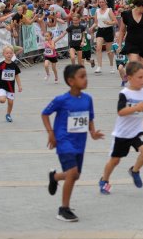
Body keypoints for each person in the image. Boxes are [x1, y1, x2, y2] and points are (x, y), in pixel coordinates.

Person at [42, 65, 104, 222]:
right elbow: (45, 114)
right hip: (64, 141)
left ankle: (55, 177)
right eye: (81, 76)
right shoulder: (61, 100)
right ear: (71, 81)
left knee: (75, 175)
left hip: (80, 143)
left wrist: (93, 132)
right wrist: (51, 133)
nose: (86, 79)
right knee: (72, 172)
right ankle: (63, 209)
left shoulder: (88, 99)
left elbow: (89, 118)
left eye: (86, 76)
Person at [98, 62, 143, 195]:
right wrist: (137, 108)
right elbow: (120, 112)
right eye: (140, 77)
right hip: (122, 133)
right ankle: (104, 180)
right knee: (115, 160)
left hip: (137, 131)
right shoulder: (125, 93)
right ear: (129, 78)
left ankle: (135, 170)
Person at [0, 46, 22, 122]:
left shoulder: (14, 65)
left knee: (10, 102)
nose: (9, 54)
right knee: (2, 100)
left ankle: (8, 114)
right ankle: (1, 94)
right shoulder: (1, 64)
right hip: (2, 86)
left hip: (11, 87)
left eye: (10, 53)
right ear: (3, 54)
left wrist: (19, 85)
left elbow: (17, 76)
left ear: (13, 54)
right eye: (7, 53)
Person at [90, 0, 117, 74]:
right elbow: (96, 22)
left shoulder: (109, 10)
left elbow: (115, 21)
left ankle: (111, 66)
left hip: (108, 30)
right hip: (100, 30)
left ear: (105, 2)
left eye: (102, 2)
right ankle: (99, 66)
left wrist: (109, 23)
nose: (101, 3)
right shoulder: (97, 11)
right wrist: (92, 27)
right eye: (100, 2)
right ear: (98, 3)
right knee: (98, 48)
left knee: (109, 51)